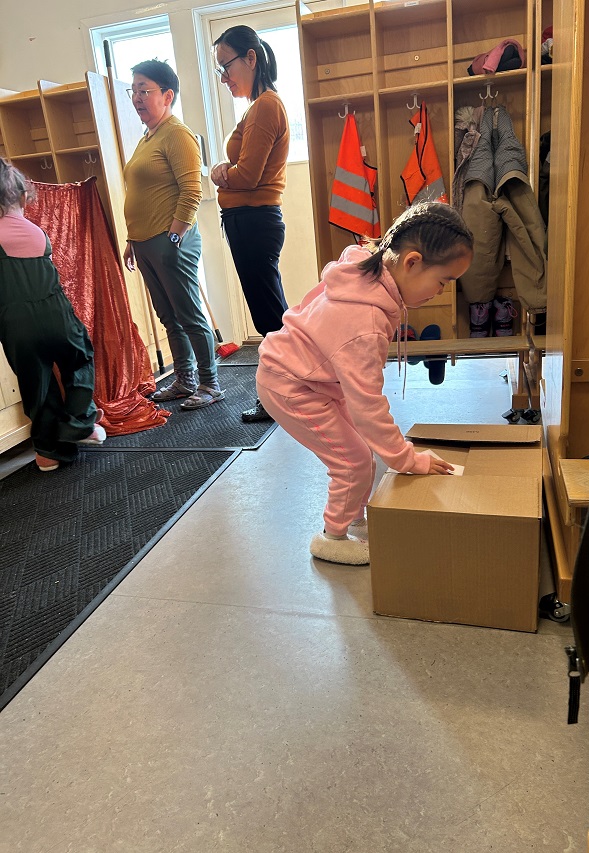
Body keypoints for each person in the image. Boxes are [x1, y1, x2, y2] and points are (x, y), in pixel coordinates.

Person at [256, 202, 474, 566]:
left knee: (362, 453)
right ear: (412, 262)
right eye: (443, 281)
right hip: (290, 383)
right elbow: (367, 406)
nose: (441, 292)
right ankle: (331, 537)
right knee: (353, 462)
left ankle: (354, 518)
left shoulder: (368, 267)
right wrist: (407, 459)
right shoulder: (366, 321)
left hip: (314, 376)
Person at [123, 59, 222, 410]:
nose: (137, 97)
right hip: (145, 243)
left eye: (144, 90)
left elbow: (191, 191)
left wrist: (174, 238)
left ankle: (210, 383)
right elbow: (143, 193)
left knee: (189, 314)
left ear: (167, 96)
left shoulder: (177, 134)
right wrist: (132, 240)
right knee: (169, 315)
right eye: (134, 90)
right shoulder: (148, 137)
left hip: (171, 242)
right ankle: (185, 379)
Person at [0, 159, 106, 472]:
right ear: (23, 197)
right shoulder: (35, 232)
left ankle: (48, 454)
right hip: (55, 312)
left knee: (37, 385)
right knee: (79, 359)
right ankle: (78, 423)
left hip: (14, 322)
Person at [210, 26, 290, 423]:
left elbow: (248, 175)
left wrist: (221, 171)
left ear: (251, 58)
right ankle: (289, 392)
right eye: (220, 71)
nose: (225, 78)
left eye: (226, 67)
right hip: (251, 222)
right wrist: (230, 170)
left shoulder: (265, 106)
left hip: (254, 222)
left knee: (270, 318)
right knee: (271, 315)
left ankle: (281, 397)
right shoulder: (259, 106)